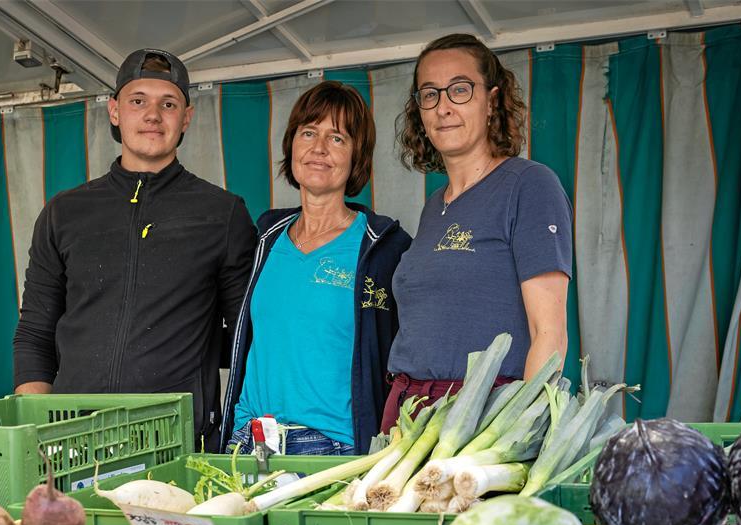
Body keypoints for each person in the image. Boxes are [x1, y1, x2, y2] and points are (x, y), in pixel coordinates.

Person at [12, 49, 257, 449]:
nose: (153, 115)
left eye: (169, 104)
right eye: (138, 101)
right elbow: (35, 330)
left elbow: (246, 335)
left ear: (187, 118)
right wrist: (37, 429)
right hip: (73, 437)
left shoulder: (223, 214)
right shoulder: (64, 212)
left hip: (175, 437)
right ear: (114, 111)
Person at [381, 33, 573, 432]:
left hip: (482, 415)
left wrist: (517, 434)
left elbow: (549, 335)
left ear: (493, 101)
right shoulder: (435, 206)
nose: (443, 106)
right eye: (429, 94)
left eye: (460, 90)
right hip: (409, 412)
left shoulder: (529, 185)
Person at [220, 81, 412, 456]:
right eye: (309, 133)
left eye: (337, 138)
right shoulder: (265, 238)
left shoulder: (384, 246)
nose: (319, 148)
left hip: (332, 444)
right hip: (249, 441)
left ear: (358, 156)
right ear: (292, 144)